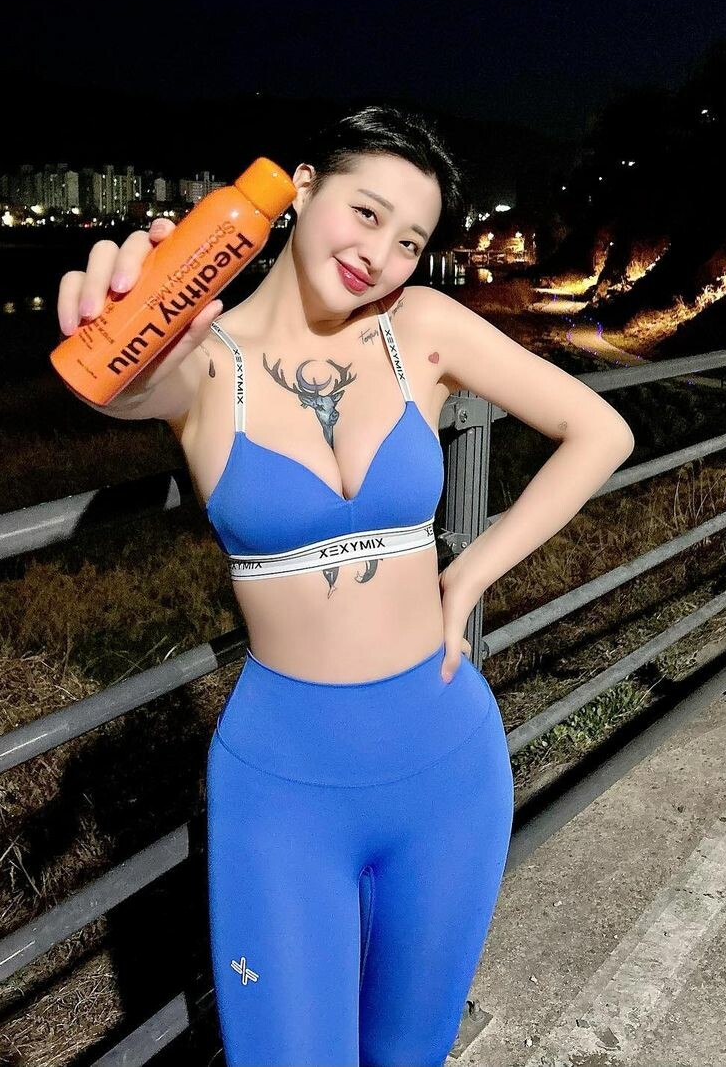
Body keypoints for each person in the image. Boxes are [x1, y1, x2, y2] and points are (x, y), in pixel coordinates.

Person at [57, 104, 635, 1066]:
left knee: (409, 1056)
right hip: (283, 786)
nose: (382, 254)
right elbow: (121, 383)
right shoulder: (204, 362)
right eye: (366, 212)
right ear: (301, 188)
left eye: (410, 239)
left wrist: (468, 574)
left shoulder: (423, 328)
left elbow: (600, 432)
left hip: (447, 760)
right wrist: (115, 308)